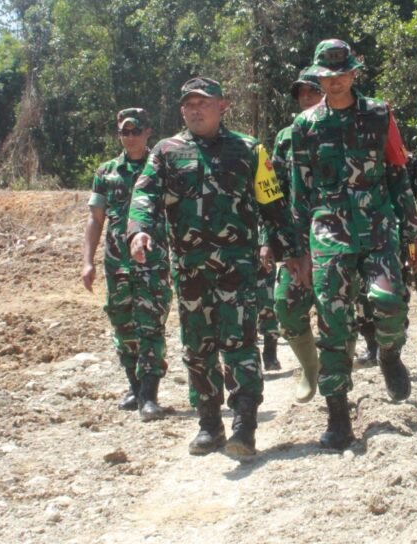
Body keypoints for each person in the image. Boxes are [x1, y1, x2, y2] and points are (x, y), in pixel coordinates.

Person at [127, 77, 303, 457]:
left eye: (203, 102)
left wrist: (290, 252)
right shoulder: (166, 151)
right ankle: (209, 424)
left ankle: (244, 423)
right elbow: (145, 193)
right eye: (188, 103)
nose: (194, 109)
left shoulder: (249, 149)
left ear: (222, 105)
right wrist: (138, 231)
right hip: (190, 271)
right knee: (197, 348)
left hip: (236, 269)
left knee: (239, 344)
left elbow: (272, 205)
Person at [291, 39, 417, 450]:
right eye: (327, 77)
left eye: (342, 74)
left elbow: (399, 173)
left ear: (354, 73)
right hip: (328, 231)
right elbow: (300, 189)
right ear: (319, 77)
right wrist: (299, 249)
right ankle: (337, 416)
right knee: (332, 322)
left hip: (378, 226)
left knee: (389, 302)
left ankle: (389, 353)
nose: (335, 82)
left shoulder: (380, 115)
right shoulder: (306, 126)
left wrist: (412, 230)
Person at [82, 108, 172, 422]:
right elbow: (95, 221)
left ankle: (149, 395)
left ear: (148, 132)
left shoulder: (161, 168)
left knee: (150, 325)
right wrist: (87, 262)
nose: (130, 137)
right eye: (125, 132)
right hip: (116, 263)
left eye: (136, 131)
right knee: (122, 324)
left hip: (152, 262)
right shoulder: (106, 172)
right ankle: (134, 386)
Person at [356, 150, 417, 366]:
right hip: (368, 234)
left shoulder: (407, 160)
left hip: (403, 236)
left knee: (399, 287)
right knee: (362, 294)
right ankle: (371, 343)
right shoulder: (361, 156)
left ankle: (393, 344)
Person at [270, 69, 324, 402]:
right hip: (296, 238)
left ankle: (337, 375)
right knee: (285, 308)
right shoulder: (285, 138)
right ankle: (310, 365)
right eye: (301, 93)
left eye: (312, 92)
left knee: (338, 312)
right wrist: (271, 241)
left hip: (338, 235)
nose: (306, 98)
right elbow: (272, 195)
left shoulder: (342, 130)